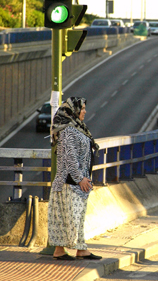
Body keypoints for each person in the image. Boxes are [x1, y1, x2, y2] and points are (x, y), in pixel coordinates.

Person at [47, 97, 102, 261]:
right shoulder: (68, 131)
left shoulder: (78, 128)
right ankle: (60, 250)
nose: (84, 111)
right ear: (73, 111)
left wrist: (84, 178)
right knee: (68, 218)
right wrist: (80, 179)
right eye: (82, 108)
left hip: (76, 181)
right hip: (68, 183)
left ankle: (80, 249)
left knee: (76, 217)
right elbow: (70, 158)